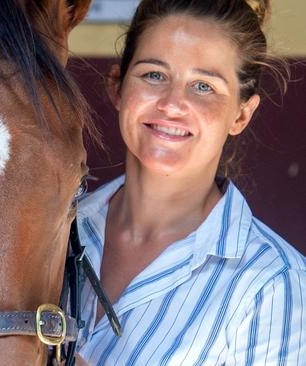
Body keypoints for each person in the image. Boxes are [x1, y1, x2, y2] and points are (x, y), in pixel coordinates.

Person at [75, 0, 305, 364]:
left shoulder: (274, 284)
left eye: (203, 86)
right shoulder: (53, 230)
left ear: (241, 114)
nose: (172, 104)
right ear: (117, 87)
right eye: (154, 75)